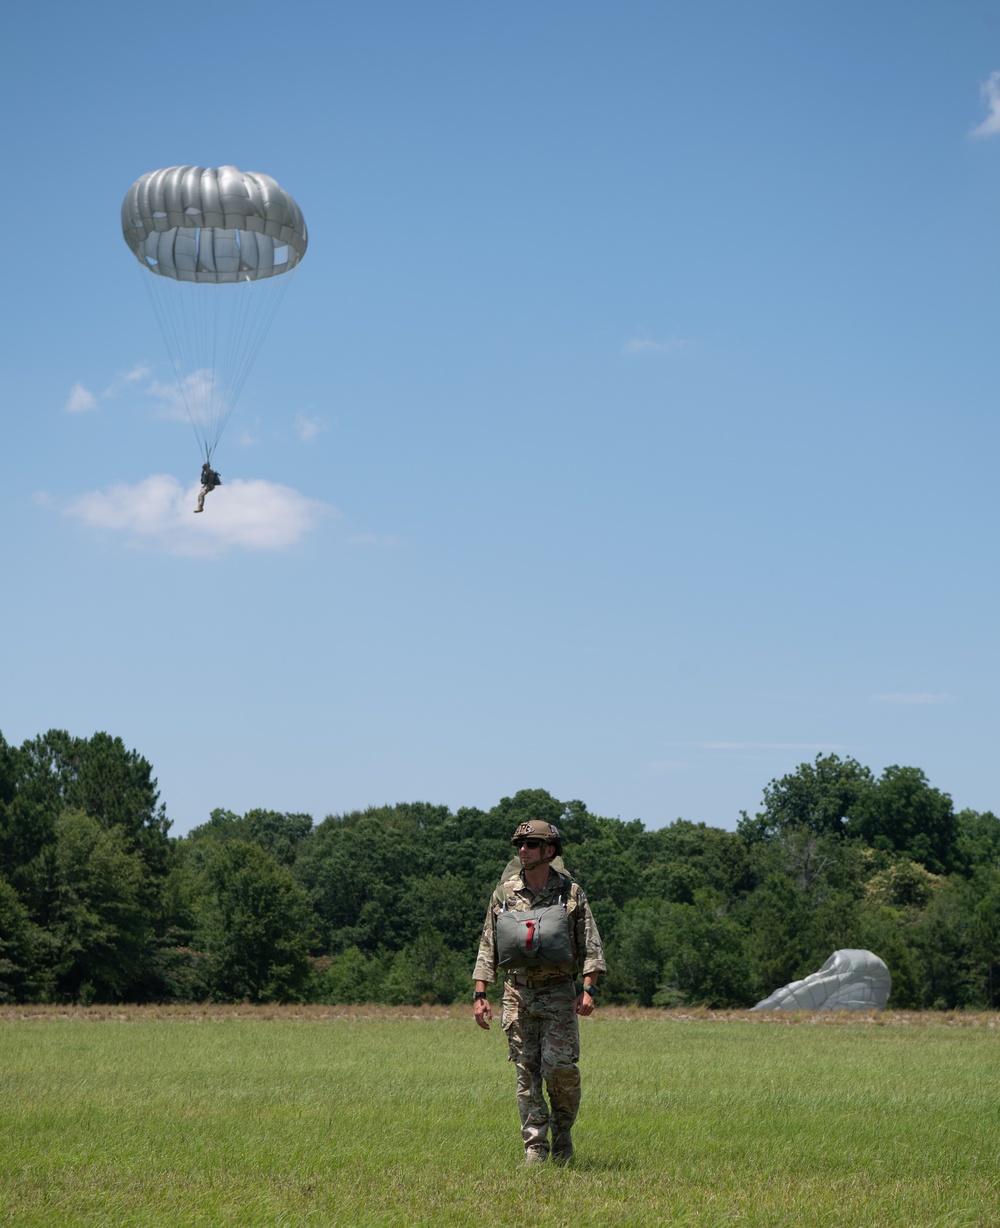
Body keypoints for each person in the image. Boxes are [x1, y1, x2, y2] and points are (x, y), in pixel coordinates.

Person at [473, 819, 606, 1167]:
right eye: (519, 844)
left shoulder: (569, 893)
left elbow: (589, 943)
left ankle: (563, 1135)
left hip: (559, 993)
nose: (523, 849)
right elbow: (488, 945)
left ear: (549, 851)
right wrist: (480, 993)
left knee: (559, 1068)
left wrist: (589, 989)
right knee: (526, 1072)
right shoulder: (504, 893)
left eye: (531, 844)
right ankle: (535, 1147)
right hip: (517, 994)